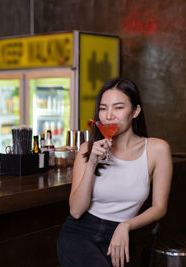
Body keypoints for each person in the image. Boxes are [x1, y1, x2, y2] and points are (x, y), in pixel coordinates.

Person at [57, 78, 172, 267]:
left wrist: (126, 225)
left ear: (135, 111)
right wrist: (92, 163)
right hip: (80, 235)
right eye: (103, 108)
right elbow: (76, 211)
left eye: (118, 108)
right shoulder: (88, 148)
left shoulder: (157, 150)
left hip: (121, 238)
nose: (109, 116)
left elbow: (159, 208)